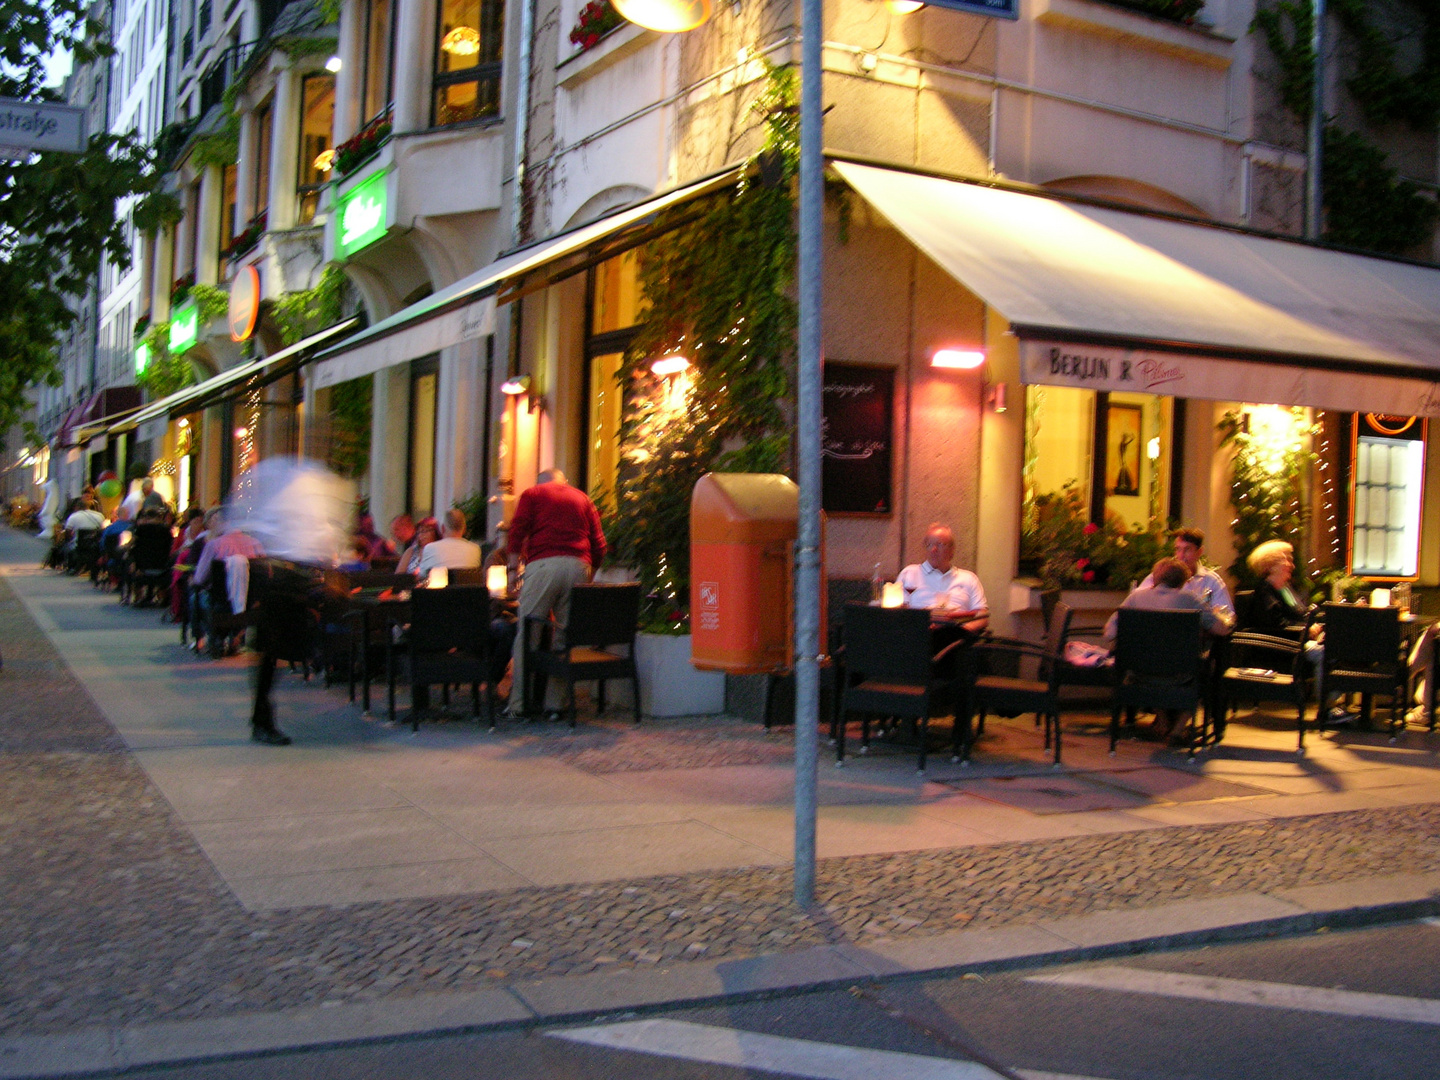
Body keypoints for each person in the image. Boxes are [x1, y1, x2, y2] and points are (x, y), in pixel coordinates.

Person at [505, 469, 607, 717]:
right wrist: (590, 571)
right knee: (563, 637)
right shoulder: (583, 498)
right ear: (565, 481)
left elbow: (517, 532)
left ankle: (520, 705)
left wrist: (511, 572)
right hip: (578, 567)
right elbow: (600, 543)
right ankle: (555, 706)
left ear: (540, 482)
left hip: (543, 566)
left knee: (528, 632)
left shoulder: (533, 494)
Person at [1104, 557, 1234, 642]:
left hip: (1138, 672)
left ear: (1154, 578)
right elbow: (1222, 629)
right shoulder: (1190, 599)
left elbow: (1109, 633)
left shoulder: (1135, 598)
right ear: (1183, 581)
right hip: (1180, 672)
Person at [896, 523, 989, 633]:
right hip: (919, 635)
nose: (934, 549)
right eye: (930, 544)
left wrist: (964, 630)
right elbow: (897, 613)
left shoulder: (968, 578)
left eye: (940, 544)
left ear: (952, 550)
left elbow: (982, 616)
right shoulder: (909, 573)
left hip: (956, 636)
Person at [1138, 527, 1234, 631]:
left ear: (1199, 552)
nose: (1181, 556)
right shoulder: (1160, 575)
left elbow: (1227, 616)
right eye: (1178, 549)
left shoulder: (1211, 581)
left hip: (1199, 639)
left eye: (1187, 549)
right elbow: (1139, 602)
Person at [417, 508, 482, 574]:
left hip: (438, 583)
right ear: (464, 529)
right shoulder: (475, 549)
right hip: (466, 583)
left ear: (442, 528)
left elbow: (422, 575)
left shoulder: (430, 548)